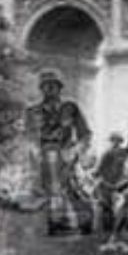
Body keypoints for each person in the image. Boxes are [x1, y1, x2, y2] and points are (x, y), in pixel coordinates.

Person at [25, 68, 95, 235]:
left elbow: (85, 134)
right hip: (43, 155)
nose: (49, 89)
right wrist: (33, 150)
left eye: (53, 85)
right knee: (35, 189)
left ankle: (85, 216)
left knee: (79, 185)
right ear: (41, 88)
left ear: (59, 87)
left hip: (67, 153)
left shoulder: (70, 108)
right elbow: (28, 136)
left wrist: (77, 149)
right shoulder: (32, 112)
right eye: (45, 85)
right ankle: (49, 219)